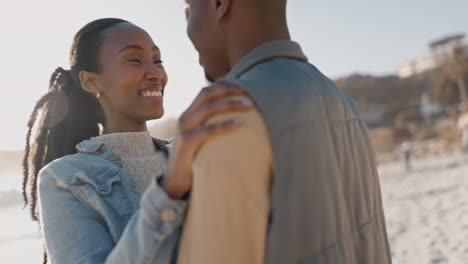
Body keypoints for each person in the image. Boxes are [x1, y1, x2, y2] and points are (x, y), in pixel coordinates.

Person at [175, 0, 392, 263]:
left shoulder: (229, 115)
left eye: (188, 12)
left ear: (220, 4)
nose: (186, 29)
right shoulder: (343, 102)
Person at [22, 18, 253, 263]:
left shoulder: (192, 157)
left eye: (157, 60)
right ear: (91, 81)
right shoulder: (64, 178)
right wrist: (170, 190)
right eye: (134, 60)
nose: (155, 73)